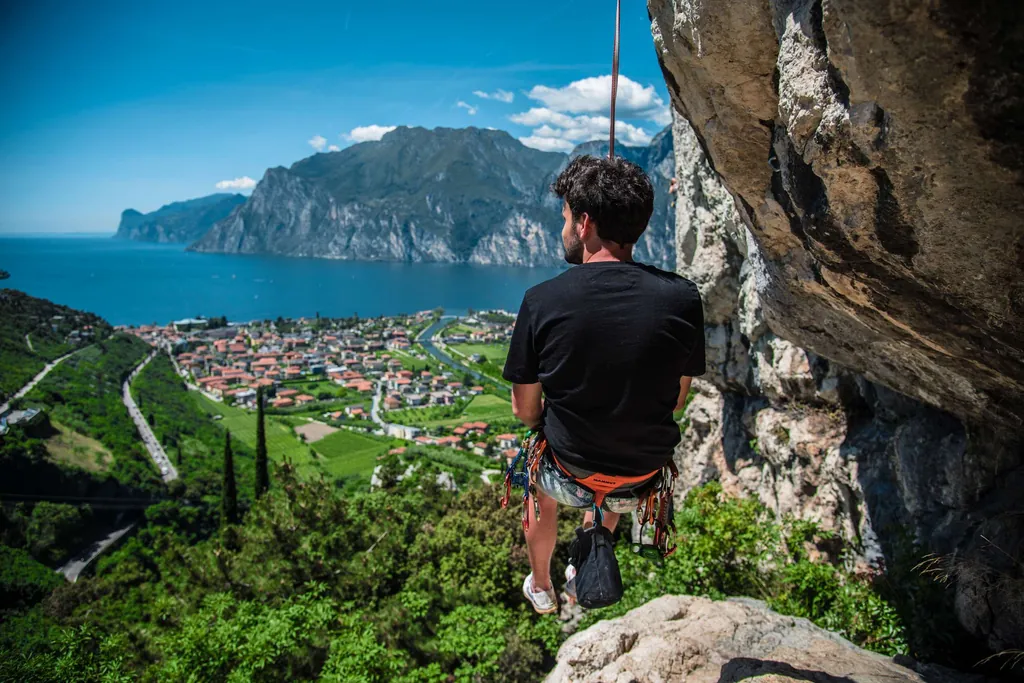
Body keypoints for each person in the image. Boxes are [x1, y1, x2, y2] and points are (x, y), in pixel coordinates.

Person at [502, 155, 705, 614]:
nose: (564, 229)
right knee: (620, 435)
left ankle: (541, 583)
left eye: (566, 218)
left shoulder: (542, 301)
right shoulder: (683, 298)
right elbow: (676, 400)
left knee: (536, 471)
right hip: (641, 480)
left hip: (570, 477)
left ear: (585, 222)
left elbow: (525, 411)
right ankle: (596, 542)